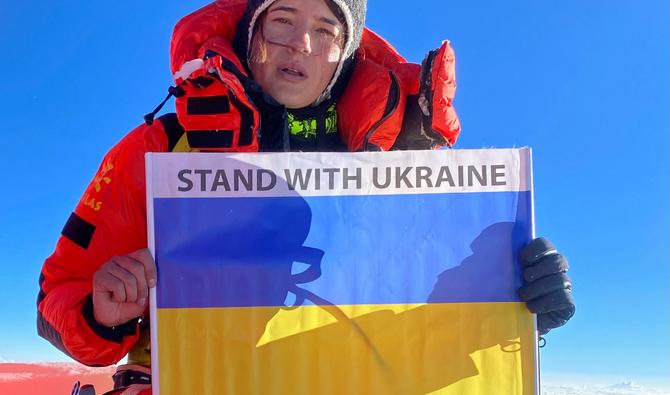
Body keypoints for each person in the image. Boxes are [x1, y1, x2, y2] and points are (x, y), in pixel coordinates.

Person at [37, 0, 575, 393]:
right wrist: (102, 314)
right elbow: (55, 297)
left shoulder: (401, 171)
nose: (301, 43)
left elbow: (414, 325)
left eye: (326, 29)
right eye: (282, 19)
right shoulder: (161, 152)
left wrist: (514, 306)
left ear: (344, 54)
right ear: (252, 32)